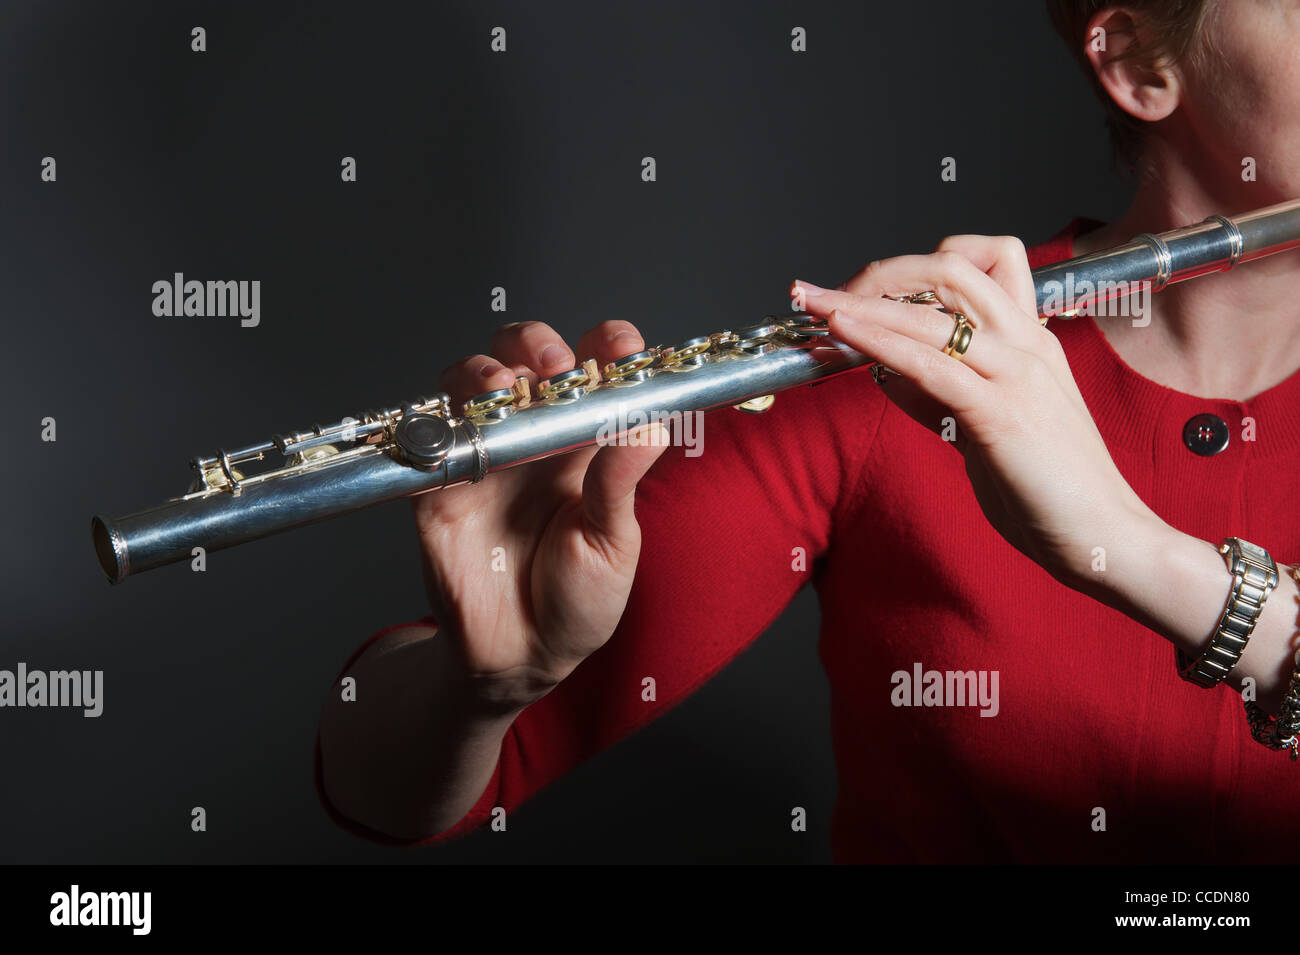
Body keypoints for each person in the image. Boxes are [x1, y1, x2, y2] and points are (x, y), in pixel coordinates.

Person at [317, 0, 1300, 862]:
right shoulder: (901, 369)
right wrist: (480, 685)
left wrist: (1134, 552)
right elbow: (396, 793)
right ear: (1137, 64)